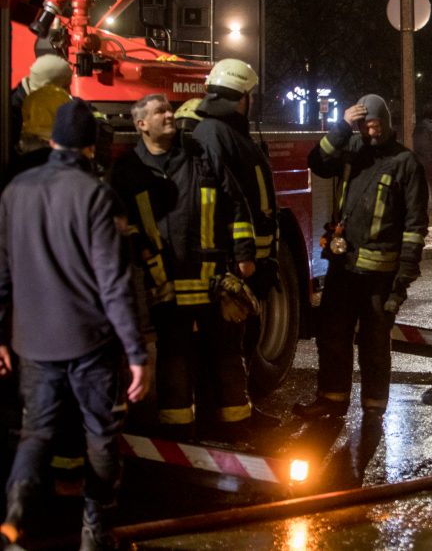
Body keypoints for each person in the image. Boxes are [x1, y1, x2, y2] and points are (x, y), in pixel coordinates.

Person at [0, 99, 151, 551]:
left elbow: (2, 272)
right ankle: (95, 530)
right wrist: (136, 352)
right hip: (90, 342)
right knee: (100, 435)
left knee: (36, 433)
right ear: (91, 146)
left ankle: (14, 519)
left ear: (51, 140)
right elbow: (113, 282)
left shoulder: (15, 191)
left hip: (33, 342)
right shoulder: (97, 195)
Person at [109, 94, 260, 443]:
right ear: (140, 124)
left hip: (211, 280)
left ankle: (236, 425)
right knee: (174, 357)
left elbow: (235, 204)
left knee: (226, 354)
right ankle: (178, 431)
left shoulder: (200, 157)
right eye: (159, 111)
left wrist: (244, 253)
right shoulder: (129, 170)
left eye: (168, 109)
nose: (168, 114)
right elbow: (120, 226)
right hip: (165, 283)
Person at [294, 94, 428, 419]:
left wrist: (402, 282)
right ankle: (332, 399)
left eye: (376, 125)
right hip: (344, 269)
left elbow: (414, 228)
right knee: (333, 335)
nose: (371, 133)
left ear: (387, 123)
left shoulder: (405, 163)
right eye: (365, 126)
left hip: (380, 278)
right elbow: (317, 161)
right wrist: (341, 127)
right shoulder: (352, 151)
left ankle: (374, 407)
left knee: (374, 343)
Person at [192, 59, 279, 300]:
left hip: (249, 259)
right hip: (233, 262)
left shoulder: (229, 134)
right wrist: (242, 254)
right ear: (242, 98)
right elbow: (227, 197)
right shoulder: (215, 134)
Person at [9, 54, 72, 159]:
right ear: (47, 85)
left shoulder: (47, 99)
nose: (69, 92)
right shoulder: (12, 114)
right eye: (65, 86)